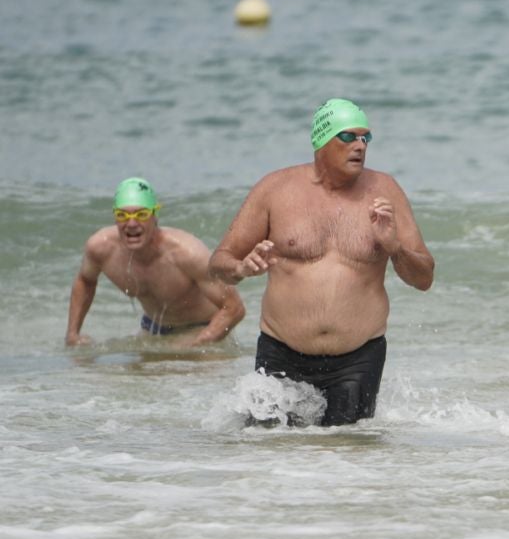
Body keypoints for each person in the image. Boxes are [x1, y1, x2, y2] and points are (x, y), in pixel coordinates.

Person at [209, 98, 434, 426]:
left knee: (345, 461)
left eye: (365, 138)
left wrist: (394, 246)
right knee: (266, 461)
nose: (360, 146)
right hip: (281, 353)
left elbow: (424, 278)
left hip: (357, 364)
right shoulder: (276, 189)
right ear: (321, 140)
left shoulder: (385, 192)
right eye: (349, 137)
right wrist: (242, 269)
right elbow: (218, 263)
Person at [66, 177, 245, 348]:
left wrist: (197, 344)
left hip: (202, 328)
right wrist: (72, 334)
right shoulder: (100, 248)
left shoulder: (187, 253)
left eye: (141, 214)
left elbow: (234, 308)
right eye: (122, 215)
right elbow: (85, 281)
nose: (131, 223)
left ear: (154, 216)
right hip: (152, 329)